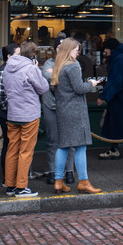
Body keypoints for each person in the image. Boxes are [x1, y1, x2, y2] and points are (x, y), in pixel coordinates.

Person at [52, 38, 103, 194]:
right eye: (75, 49)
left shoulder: (59, 66)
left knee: (64, 146)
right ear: (69, 50)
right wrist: (92, 84)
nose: (78, 52)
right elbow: (80, 88)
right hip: (75, 111)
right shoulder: (73, 66)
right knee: (81, 146)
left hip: (63, 111)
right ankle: (84, 181)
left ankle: (58, 180)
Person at [2, 41, 49, 198]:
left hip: (13, 113)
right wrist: (36, 69)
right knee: (25, 152)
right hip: (29, 114)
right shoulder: (30, 68)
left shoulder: (7, 68)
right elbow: (43, 88)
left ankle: (10, 185)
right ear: (33, 56)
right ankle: (21, 187)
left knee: (12, 149)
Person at [41, 36, 75, 186]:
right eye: (58, 48)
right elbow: (50, 76)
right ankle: (53, 172)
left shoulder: (74, 63)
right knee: (52, 141)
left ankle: (69, 172)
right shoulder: (48, 63)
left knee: (70, 141)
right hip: (51, 106)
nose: (61, 51)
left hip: (68, 107)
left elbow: (63, 79)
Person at [97, 38, 123, 159]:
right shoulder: (122, 57)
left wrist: (103, 96)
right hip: (121, 96)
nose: (105, 51)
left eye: (106, 48)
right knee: (120, 123)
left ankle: (114, 149)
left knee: (116, 123)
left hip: (119, 98)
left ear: (111, 49)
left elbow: (115, 81)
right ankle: (115, 148)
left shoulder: (118, 59)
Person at [0, 43, 19, 187]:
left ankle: (12, 178)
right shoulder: (2, 71)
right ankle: (7, 179)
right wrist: (13, 112)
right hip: (6, 114)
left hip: (13, 114)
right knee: (9, 146)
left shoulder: (14, 69)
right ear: (9, 57)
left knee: (12, 146)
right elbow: (1, 97)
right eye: (18, 54)